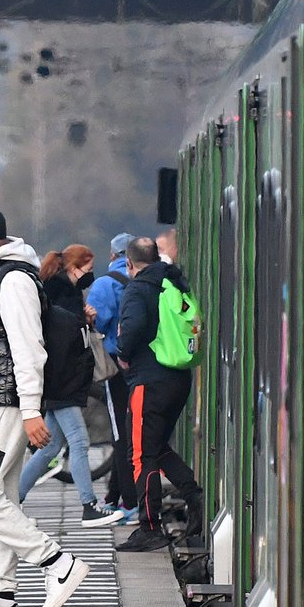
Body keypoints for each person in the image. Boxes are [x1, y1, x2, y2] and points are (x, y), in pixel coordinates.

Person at [0, 205, 92, 607]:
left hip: (9, 403)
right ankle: (0, 600)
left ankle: (58, 563)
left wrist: (31, 410)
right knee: (0, 498)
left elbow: (28, 349)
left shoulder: (12, 279)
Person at [20, 247, 125, 527]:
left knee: (50, 448)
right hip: (62, 380)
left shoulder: (59, 291)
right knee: (79, 442)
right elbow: (64, 337)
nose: (90, 275)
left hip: (59, 379)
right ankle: (89, 506)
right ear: (74, 267)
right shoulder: (62, 294)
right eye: (88, 270)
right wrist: (83, 321)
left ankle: (10, 503)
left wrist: (85, 319)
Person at [114, 235, 205, 553]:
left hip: (148, 382)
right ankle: (195, 496)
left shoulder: (138, 288)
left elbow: (134, 326)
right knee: (155, 447)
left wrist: (123, 350)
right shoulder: (175, 281)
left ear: (129, 263)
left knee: (140, 454)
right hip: (178, 378)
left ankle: (150, 527)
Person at [86, 233, 138, 515]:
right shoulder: (146, 281)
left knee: (120, 432)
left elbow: (98, 323)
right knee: (134, 427)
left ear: (114, 255)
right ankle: (113, 494)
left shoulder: (104, 285)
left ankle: (129, 502)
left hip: (116, 365)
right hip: (143, 364)